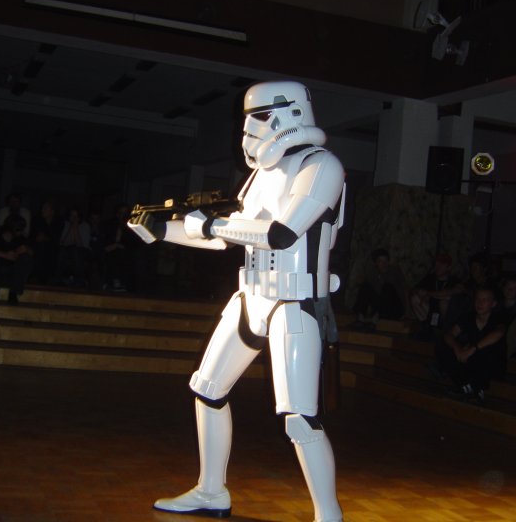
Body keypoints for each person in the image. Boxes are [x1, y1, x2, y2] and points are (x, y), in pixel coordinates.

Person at [128, 81, 345, 521]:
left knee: (299, 418)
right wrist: (161, 231)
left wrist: (210, 225)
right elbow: (229, 239)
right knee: (207, 390)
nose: (250, 129)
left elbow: (282, 233)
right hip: (251, 296)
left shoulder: (321, 166)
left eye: (260, 117)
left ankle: (329, 515)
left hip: (295, 302)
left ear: (291, 113)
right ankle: (211, 490)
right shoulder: (261, 174)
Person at [435, 287, 506, 403]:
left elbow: (498, 333)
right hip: (470, 358)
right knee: (443, 347)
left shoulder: (499, 318)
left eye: (485, 300)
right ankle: (465, 385)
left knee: (486, 350)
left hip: (492, 363)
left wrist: (472, 349)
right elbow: (449, 334)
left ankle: (478, 389)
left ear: (493, 304)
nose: (480, 303)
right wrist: (457, 348)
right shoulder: (468, 317)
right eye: (477, 299)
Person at [351, 248, 405, 331]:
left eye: (385, 261)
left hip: (394, 308)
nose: (384, 264)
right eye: (380, 261)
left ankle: (375, 319)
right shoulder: (373, 272)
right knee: (365, 285)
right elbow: (370, 291)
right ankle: (361, 318)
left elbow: (396, 292)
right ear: (376, 263)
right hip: (380, 307)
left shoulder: (394, 271)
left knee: (387, 287)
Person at [409, 253, 464, 335]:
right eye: (436, 264)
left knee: (444, 301)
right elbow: (414, 289)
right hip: (430, 311)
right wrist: (420, 293)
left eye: (441, 264)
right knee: (415, 298)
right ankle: (425, 325)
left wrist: (429, 294)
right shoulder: (430, 278)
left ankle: (445, 330)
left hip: (445, 315)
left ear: (448, 267)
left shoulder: (454, 280)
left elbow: (455, 291)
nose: (438, 267)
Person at [29, 200, 63, 284]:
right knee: (39, 246)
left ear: (52, 211)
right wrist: (39, 238)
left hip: (53, 246)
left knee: (51, 249)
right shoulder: (37, 220)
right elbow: (33, 235)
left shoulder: (59, 221)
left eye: (45, 208)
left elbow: (56, 238)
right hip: (38, 245)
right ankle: (36, 276)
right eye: (42, 208)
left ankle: (49, 277)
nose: (42, 210)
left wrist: (45, 238)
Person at [58, 207, 91, 286]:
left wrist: (75, 228)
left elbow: (81, 245)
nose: (74, 218)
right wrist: (71, 228)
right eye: (72, 216)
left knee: (75, 251)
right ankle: (60, 278)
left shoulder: (85, 226)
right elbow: (64, 243)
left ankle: (79, 280)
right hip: (67, 250)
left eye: (76, 216)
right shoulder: (66, 224)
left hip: (82, 251)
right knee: (62, 251)